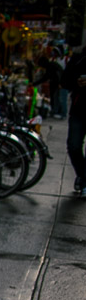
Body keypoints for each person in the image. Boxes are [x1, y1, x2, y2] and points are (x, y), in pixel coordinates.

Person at [60, 48, 86, 196]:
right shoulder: (79, 57)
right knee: (73, 146)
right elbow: (64, 81)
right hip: (79, 110)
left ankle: (84, 181)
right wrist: (77, 81)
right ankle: (82, 175)